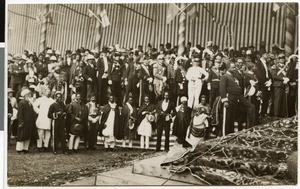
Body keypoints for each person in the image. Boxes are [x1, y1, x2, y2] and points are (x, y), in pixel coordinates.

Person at [219, 65, 255, 135]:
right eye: (232, 67)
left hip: (236, 98)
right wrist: (225, 100)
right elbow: (222, 88)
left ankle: (231, 134)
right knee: (227, 118)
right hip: (229, 97)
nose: (234, 68)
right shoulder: (225, 76)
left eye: (234, 67)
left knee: (232, 118)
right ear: (228, 67)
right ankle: (224, 135)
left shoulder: (234, 77)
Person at [33, 87, 55, 152]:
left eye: (49, 91)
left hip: (48, 118)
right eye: (47, 91)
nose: (48, 92)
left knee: (48, 133)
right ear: (44, 92)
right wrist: (39, 111)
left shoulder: (52, 100)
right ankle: (39, 146)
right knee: (40, 133)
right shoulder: (41, 99)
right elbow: (34, 105)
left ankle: (46, 146)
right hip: (42, 118)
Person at [16, 89, 36, 154]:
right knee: (21, 136)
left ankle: (25, 148)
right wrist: (21, 122)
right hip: (23, 122)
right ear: (25, 95)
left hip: (29, 122)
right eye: (28, 94)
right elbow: (20, 114)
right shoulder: (22, 103)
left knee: (27, 135)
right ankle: (19, 149)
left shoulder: (29, 103)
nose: (30, 95)